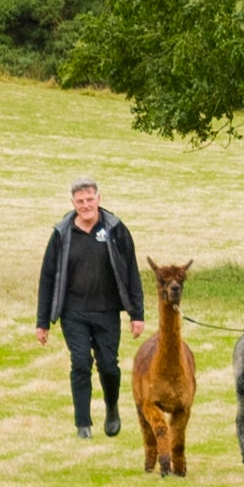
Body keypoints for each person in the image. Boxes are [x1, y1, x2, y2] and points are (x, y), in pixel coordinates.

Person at [35, 179, 146, 437]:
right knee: (81, 362)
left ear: (98, 199)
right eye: (80, 201)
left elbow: (131, 272)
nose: (85, 205)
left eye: (89, 199)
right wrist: (42, 322)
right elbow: (48, 277)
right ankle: (83, 424)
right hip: (73, 312)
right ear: (72, 204)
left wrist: (136, 315)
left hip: (107, 311)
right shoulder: (62, 233)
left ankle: (112, 408)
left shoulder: (116, 230)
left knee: (108, 365)